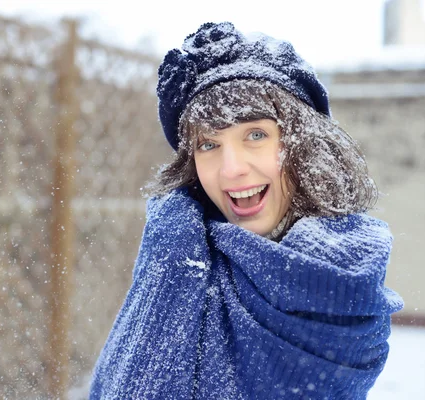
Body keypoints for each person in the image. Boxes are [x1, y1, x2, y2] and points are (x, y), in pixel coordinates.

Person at [89, 22, 403, 399]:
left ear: (302, 142)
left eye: (255, 135)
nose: (231, 169)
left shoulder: (348, 280)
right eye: (208, 145)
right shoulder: (176, 259)